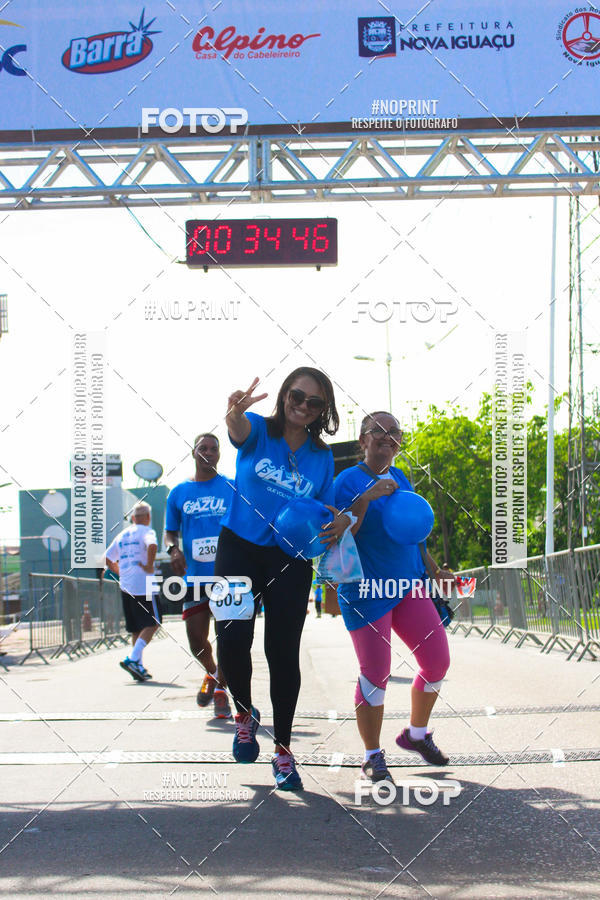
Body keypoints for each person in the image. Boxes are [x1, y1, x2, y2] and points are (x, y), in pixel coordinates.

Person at [214, 369, 349, 791]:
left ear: (323, 411)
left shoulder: (321, 456)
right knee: (231, 637)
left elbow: (322, 510)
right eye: (297, 395)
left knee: (282, 651)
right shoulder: (257, 429)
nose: (303, 406)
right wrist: (233, 412)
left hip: (289, 556)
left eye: (315, 403)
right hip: (237, 544)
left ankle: (284, 751)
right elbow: (235, 429)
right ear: (284, 395)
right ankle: (244, 714)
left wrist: (339, 521)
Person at [334, 411, 456, 784]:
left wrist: (434, 570)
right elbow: (339, 531)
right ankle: (372, 755)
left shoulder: (400, 476)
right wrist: (366, 497)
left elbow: (413, 530)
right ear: (363, 441)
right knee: (376, 674)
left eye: (395, 432)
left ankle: (416, 735)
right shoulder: (346, 481)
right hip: (366, 591)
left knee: (437, 662)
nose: (388, 437)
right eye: (379, 432)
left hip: (409, 584)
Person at [165, 433, 232, 718]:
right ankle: (213, 673)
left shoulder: (232, 487)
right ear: (194, 453)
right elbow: (170, 531)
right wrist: (173, 549)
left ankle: (221, 691)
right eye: (202, 448)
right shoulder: (178, 492)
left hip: (230, 576)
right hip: (194, 578)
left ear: (219, 454)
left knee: (229, 639)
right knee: (195, 640)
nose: (208, 452)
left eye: (213, 448)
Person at [106, 501, 160, 682]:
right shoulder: (147, 531)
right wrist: (149, 565)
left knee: (136, 626)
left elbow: (107, 558)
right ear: (148, 517)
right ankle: (133, 658)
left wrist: (120, 571)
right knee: (154, 622)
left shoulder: (122, 535)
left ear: (132, 518)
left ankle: (138, 665)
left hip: (126, 584)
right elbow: (152, 546)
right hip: (143, 583)